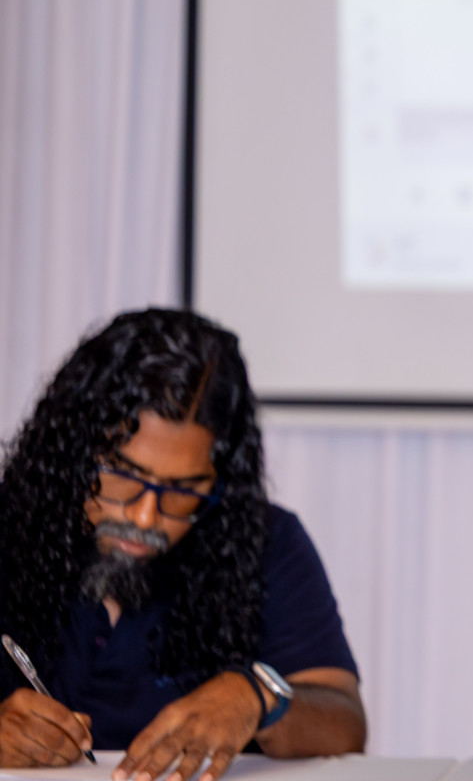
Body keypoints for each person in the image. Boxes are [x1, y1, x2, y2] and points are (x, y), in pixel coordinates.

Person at [0, 309, 366, 779]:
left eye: (183, 490)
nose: (146, 516)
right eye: (124, 476)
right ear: (72, 450)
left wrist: (258, 699)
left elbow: (344, 722)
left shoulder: (266, 541)